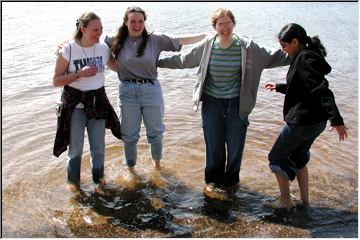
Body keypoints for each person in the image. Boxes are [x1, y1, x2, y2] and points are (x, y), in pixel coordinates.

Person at [158, 8, 290, 199]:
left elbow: (274, 56)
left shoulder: (246, 47)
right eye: (220, 24)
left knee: (236, 144)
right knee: (214, 144)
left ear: (233, 24)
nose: (225, 27)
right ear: (214, 27)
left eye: (228, 23)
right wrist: (155, 62)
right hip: (212, 103)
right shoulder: (207, 46)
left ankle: (231, 183)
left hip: (237, 103)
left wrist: (300, 51)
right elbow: (183, 60)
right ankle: (212, 182)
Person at [105, 6, 206, 174]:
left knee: (156, 133)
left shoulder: (155, 39)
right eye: (133, 21)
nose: (137, 25)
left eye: (140, 21)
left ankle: (157, 169)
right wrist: (66, 46)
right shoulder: (115, 40)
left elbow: (181, 40)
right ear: (125, 22)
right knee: (129, 136)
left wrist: (206, 36)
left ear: (144, 22)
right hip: (127, 92)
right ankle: (131, 171)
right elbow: (91, 39)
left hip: (151, 91)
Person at [264, 23, 348, 210]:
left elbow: (321, 89)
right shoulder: (310, 56)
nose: (284, 51)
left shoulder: (303, 59)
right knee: (300, 157)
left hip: (302, 122)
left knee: (276, 157)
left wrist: (337, 119)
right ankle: (305, 202)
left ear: (295, 42)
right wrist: (278, 87)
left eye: (284, 46)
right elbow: (302, 88)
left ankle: (285, 200)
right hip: (316, 122)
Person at [53, 12, 121, 192]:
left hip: (97, 102)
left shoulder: (103, 48)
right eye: (95, 30)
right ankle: (73, 186)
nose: (99, 33)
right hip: (74, 105)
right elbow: (56, 81)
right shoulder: (68, 49)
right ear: (83, 29)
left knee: (98, 149)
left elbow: (118, 68)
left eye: (101, 29)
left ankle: (99, 183)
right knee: (75, 151)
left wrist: (138, 58)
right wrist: (78, 74)